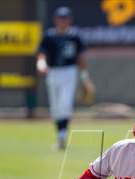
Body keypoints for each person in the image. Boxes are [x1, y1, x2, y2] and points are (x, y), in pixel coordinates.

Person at [36, 6, 95, 150]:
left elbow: (80, 59)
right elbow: (41, 54)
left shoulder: (75, 37)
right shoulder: (49, 36)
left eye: (65, 18)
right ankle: (60, 134)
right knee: (55, 107)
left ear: (70, 20)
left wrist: (85, 78)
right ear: (55, 20)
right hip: (53, 72)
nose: (63, 21)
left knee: (65, 103)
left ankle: (62, 135)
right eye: (60, 18)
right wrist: (41, 64)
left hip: (69, 71)